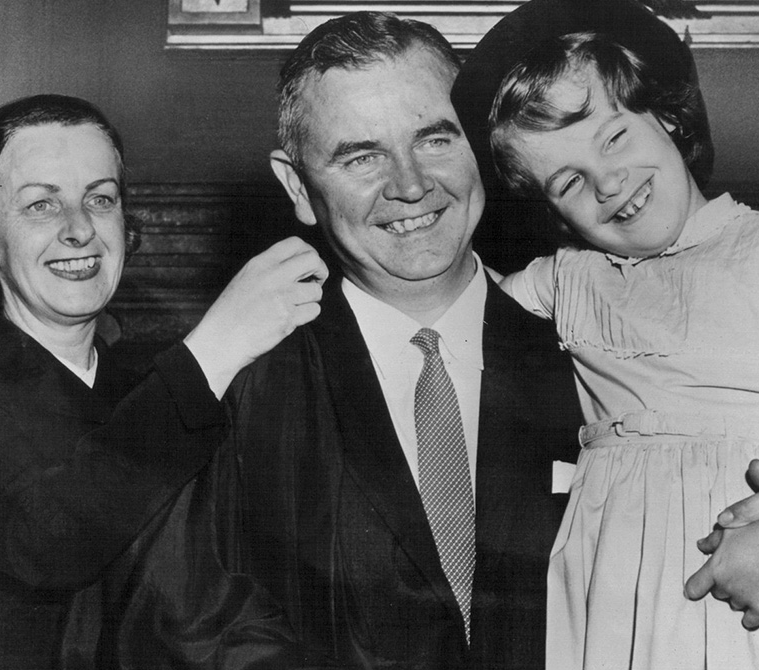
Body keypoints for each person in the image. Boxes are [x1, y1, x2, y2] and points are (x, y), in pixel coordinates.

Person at [128, 11, 582, 670]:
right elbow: (192, 624)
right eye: (361, 155)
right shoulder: (242, 385)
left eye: (434, 139)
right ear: (298, 188)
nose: (409, 185)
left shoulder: (582, 351)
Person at [0, 93, 328, 669]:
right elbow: (42, 539)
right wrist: (214, 351)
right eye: (41, 205)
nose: (80, 229)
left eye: (100, 199)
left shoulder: (151, 390)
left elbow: (208, 614)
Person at [482, 24, 759, 670]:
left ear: (665, 115)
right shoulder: (562, 283)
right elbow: (434, 306)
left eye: (614, 137)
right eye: (569, 183)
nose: (607, 184)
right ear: (552, 213)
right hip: (608, 622)